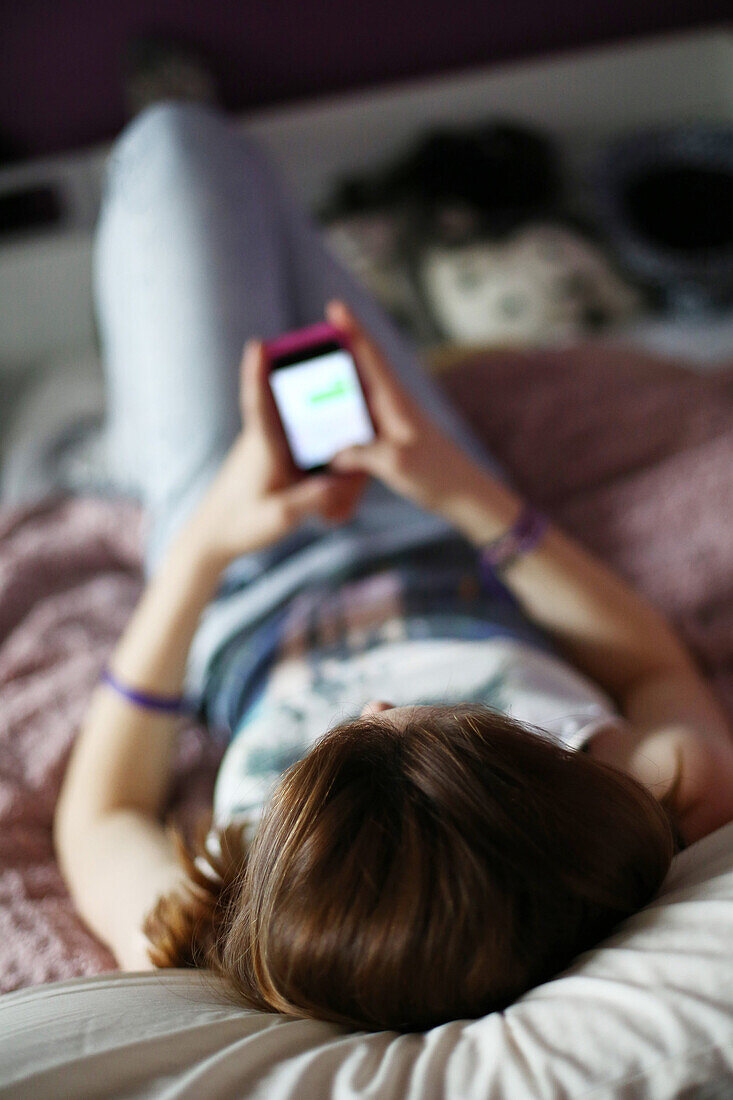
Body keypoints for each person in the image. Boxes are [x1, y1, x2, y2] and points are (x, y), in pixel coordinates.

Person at [54, 102, 733, 1034]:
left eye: (337, 742)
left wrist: (207, 541)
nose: (369, 705)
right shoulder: (637, 796)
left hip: (236, 580)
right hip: (447, 527)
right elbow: (655, 667)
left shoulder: (219, 922)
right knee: (275, 235)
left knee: (177, 144)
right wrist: (454, 488)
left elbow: (102, 816)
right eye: (459, 723)